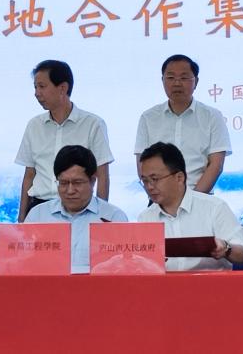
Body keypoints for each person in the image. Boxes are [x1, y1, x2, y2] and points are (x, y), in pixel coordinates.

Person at [16, 60, 114, 221]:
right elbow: (29, 175)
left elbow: (102, 174)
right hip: (39, 208)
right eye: (35, 87)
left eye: (42, 86)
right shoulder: (34, 125)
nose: (36, 93)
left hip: (80, 209)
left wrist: (101, 215)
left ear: (63, 88)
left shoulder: (92, 124)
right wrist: (22, 218)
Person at [137, 142, 243, 271]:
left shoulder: (214, 207)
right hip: (164, 283)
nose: (149, 187)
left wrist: (226, 248)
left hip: (208, 282)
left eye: (155, 179)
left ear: (179, 177)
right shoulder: (145, 218)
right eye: (145, 181)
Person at [135, 54, 231, 194]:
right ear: (162, 81)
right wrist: (160, 196)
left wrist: (193, 200)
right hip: (159, 199)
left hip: (201, 199)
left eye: (184, 78)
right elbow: (142, 164)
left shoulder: (212, 116)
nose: (177, 83)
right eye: (170, 77)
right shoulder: (148, 117)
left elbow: (216, 165)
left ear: (196, 81)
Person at [25, 145, 128, 268]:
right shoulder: (37, 216)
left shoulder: (113, 217)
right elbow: (24, 261)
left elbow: (123, 265)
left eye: (77, 183)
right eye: (63, 183)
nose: (70, 190)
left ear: (92, 181)